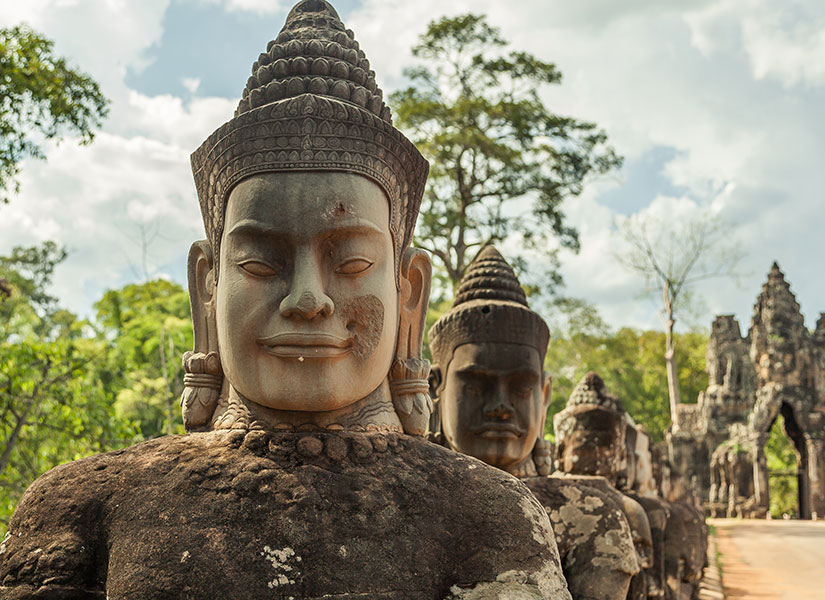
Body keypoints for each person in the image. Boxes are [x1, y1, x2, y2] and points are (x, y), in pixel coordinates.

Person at [0, 3, 571, 599]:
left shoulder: (490, 517)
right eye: (259, 263)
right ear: (208, 285)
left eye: (351, 263)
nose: (307, 298)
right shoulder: (86, 509)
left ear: (408, 293)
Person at [429, 246, 638, 600]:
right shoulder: (394, 503)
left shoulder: (591, 520)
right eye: (477, 385)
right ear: (437, 386)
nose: (500, 407)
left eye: (521, 387)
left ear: (544, 393)